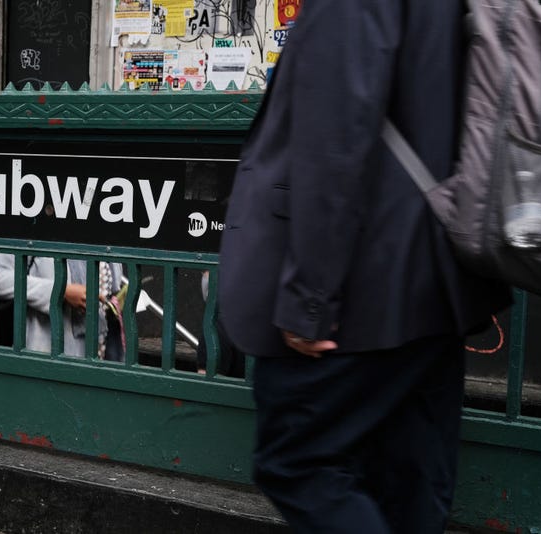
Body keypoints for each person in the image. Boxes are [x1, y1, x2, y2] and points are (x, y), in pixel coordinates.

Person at [217, 1, 511, 533]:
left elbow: (336, 130)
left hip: (366, 285)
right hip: (437, 282)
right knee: (410, 491)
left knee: (297, 462)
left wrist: (309, 300)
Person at [0, 254, 125, 360]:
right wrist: (61, 292)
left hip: (102, 351)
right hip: (49, 355)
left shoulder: (104, 223)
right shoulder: (34, 216)